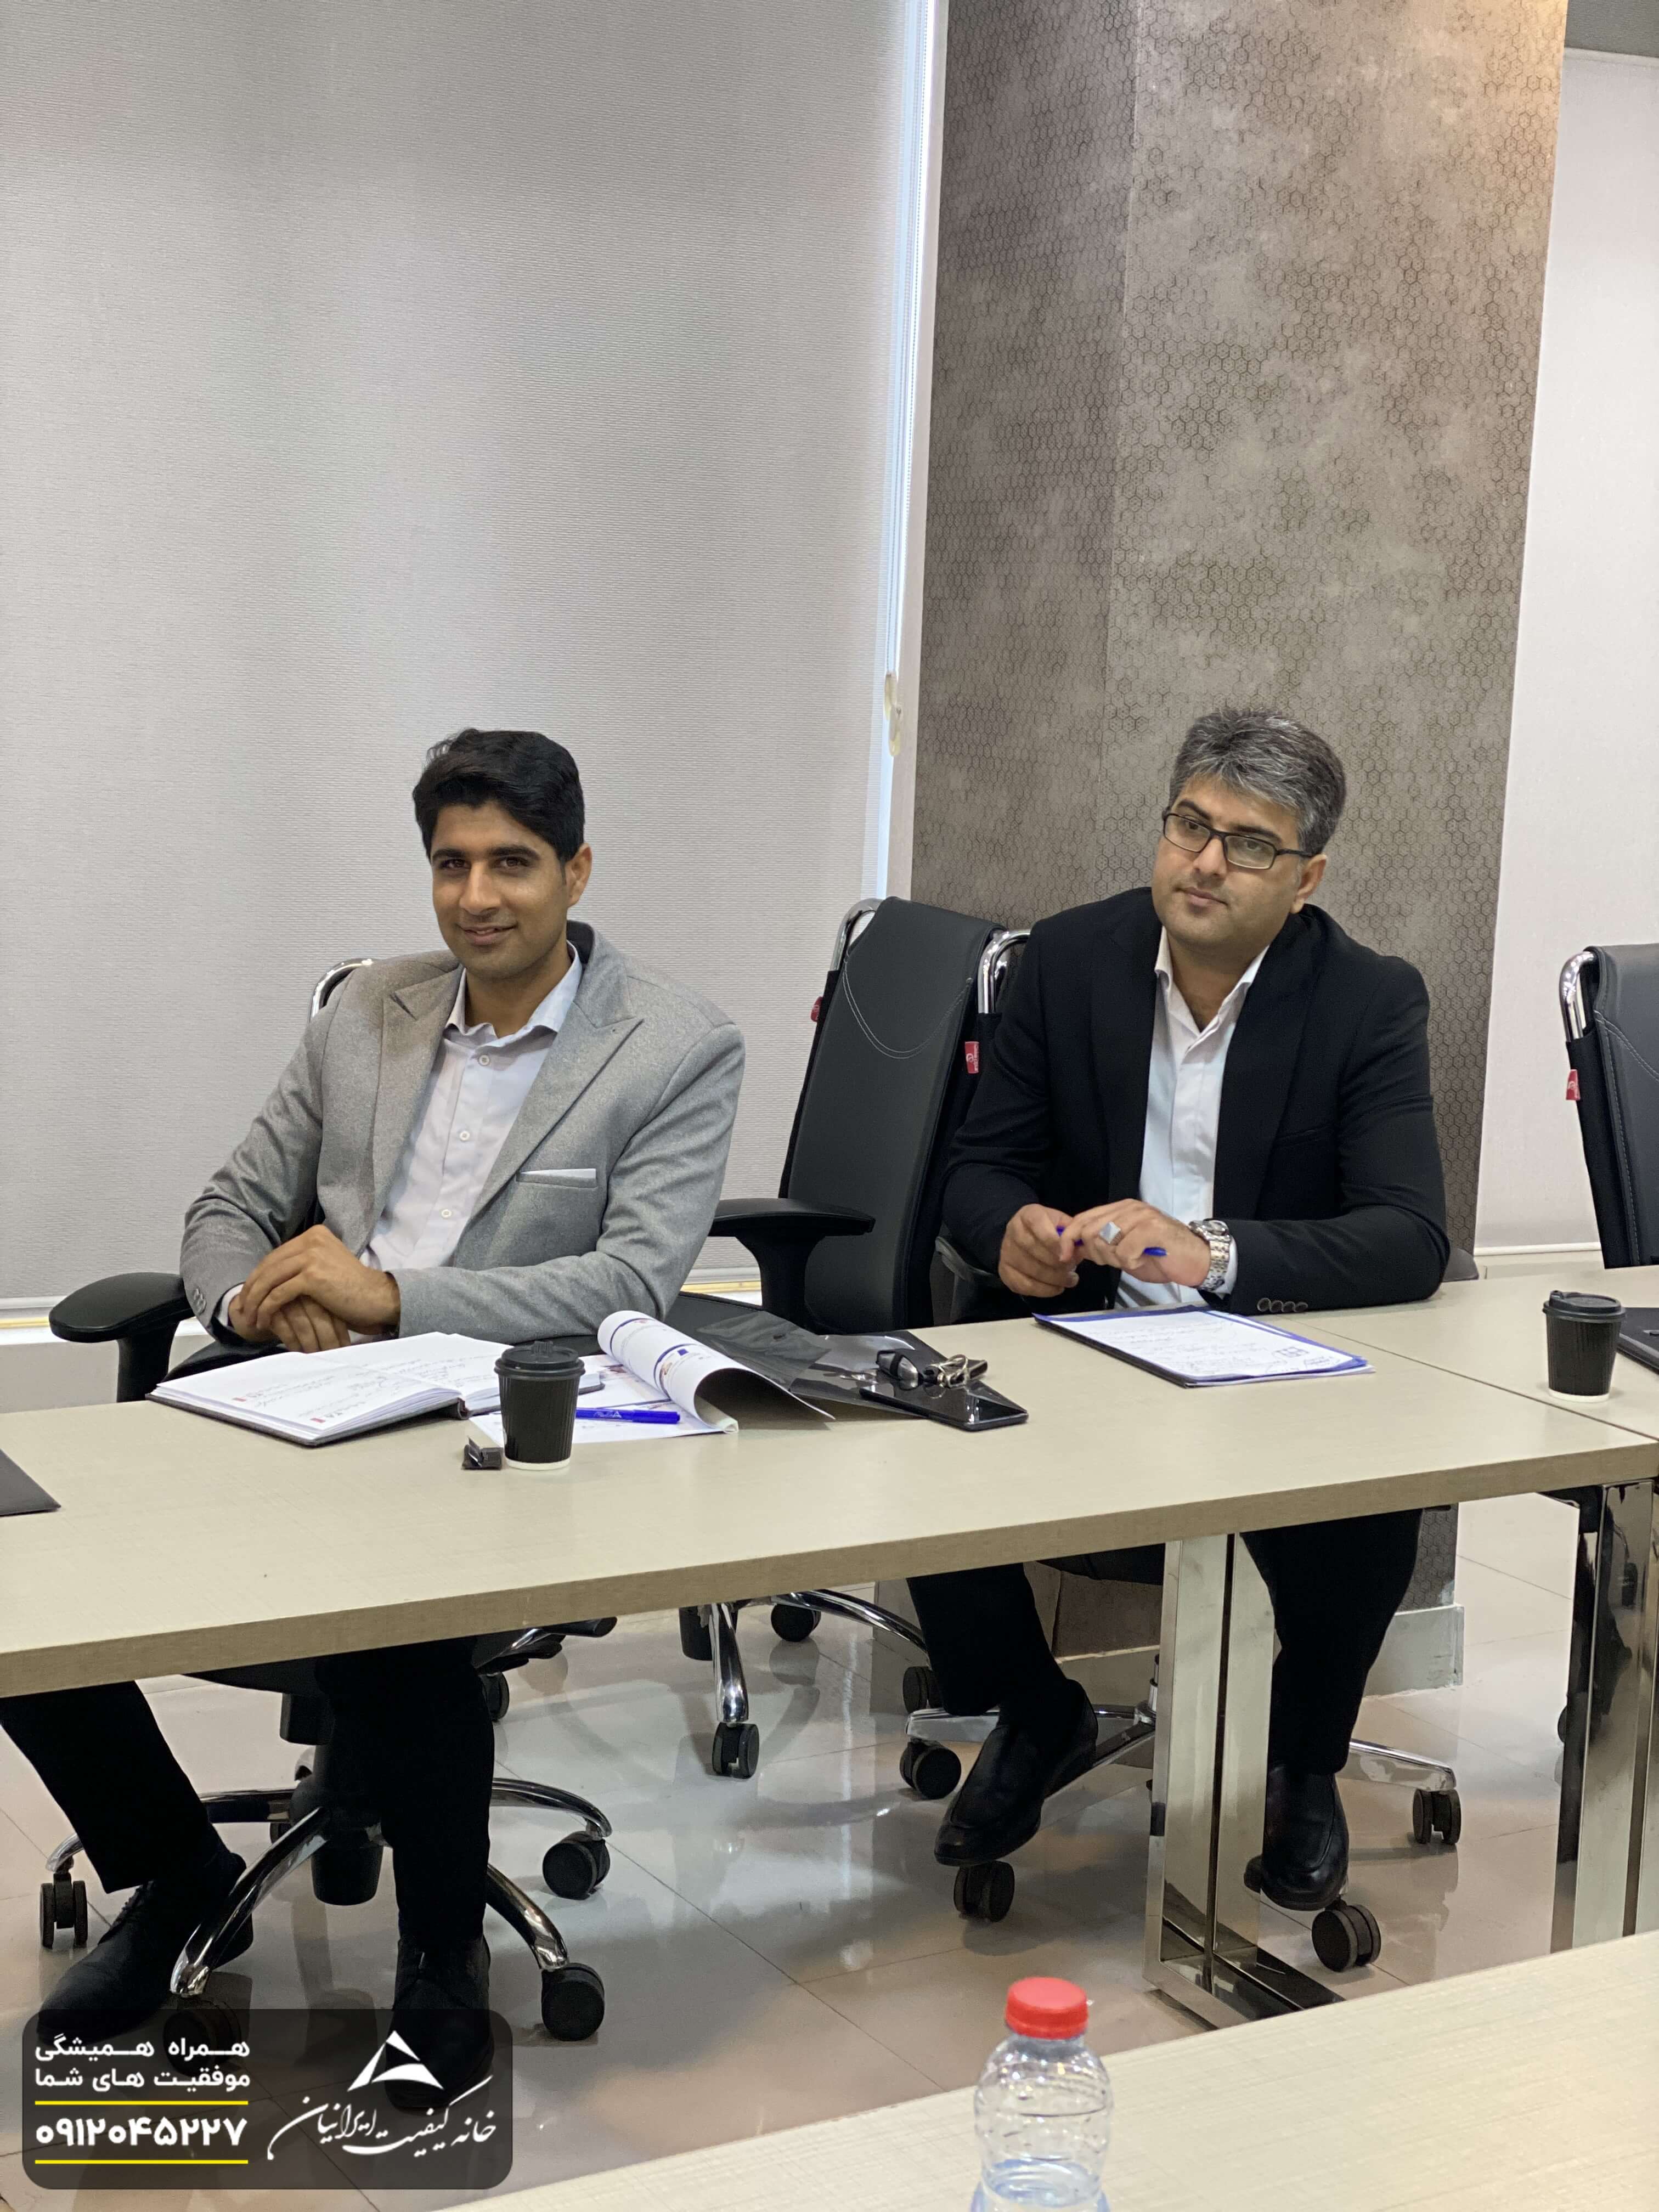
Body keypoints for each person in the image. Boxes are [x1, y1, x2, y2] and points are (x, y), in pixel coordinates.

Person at [2, 729, 743, 2098]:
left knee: (395, 1623)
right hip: (294, 1383)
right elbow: (228, 1206)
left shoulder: (676, 1045)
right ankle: (174, 1872)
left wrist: (390, 1297)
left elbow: (629, 1281)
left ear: (577, 871)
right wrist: (254, 1303)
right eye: (452, 864)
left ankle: (441, 1954)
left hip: (491, 1416)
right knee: (22, 1579)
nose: (478, 896)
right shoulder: (366, 1011)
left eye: (512, 864)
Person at [909, 706, 1448, 1915]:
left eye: (1249, 845)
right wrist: (1012, 1229)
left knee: (1374, 1491)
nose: (1205, 863)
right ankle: (1037, 1709)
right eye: (1190, 826)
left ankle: (1303, 1762)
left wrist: (1213, 1253)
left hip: (1269, 1348)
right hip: (1083, 1340)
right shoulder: (1067, 961)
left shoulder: (1367, 1000)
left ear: (1305, 879)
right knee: (918, 1449)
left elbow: (1410, 1235)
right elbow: (977, 1170)